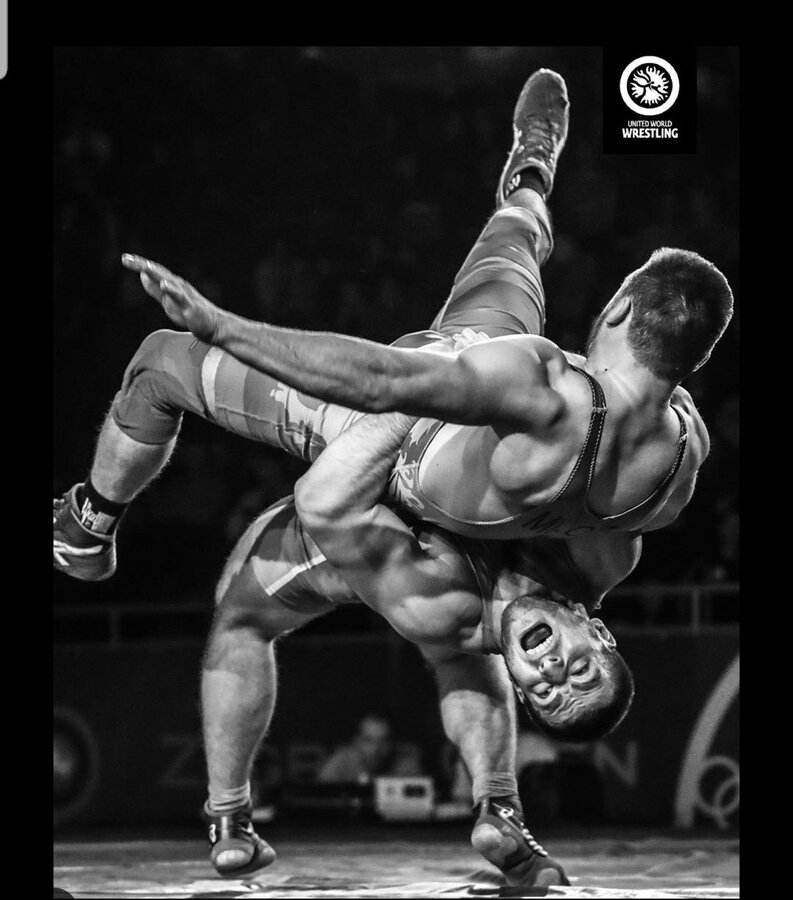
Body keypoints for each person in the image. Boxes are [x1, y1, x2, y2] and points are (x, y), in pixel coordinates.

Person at [53, 69, 731, 583]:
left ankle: (87, 528)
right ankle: (531, 167)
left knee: (160, 362)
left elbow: (378, 383)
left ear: (616, 311)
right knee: (517, 232)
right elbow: (607, 559)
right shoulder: (677, 463)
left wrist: (221, 325)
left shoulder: (545, 387)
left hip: (395, 434)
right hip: (480, 380)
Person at [201, 406, 639, 886]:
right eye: (578, 673)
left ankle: (229, 819)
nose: (553, 669)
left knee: (238, 622)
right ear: (598, 631)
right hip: (429, 507)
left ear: (520, 686)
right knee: (460, 644)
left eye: (546, 692)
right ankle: (500, 807)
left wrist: (418, 396)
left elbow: (324, 502)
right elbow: (614, 432)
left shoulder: (471, 599)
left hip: (363, 527)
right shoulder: (603, 558)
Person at [316, 711, 423, 784]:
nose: (376, 749)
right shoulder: (341, 762)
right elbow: (320, 798)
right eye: (368, 740)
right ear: (357, 741)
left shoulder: (407, 767)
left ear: (392, 743)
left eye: (383, 741)